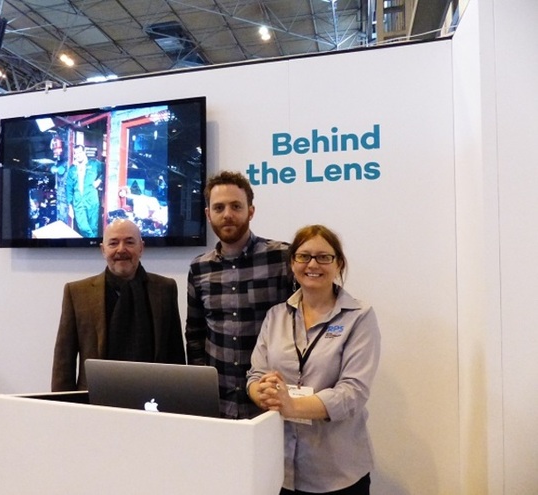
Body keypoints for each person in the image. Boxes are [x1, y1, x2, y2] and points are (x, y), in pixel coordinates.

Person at [247, 225, 381, 495]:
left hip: (337, 473)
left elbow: (352, 393)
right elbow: (255, 374)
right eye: (303, 256)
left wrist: (291, 405)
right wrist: (259, 392)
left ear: (338, 263)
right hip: (279, 469)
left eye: (324, 257)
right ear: (292, 263)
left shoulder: (360, 317)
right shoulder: (276, 316)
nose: (312, 264)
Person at [185, 170, 293, 419]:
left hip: (269, 402)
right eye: (219, 207)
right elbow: (195, 335)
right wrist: (202, 388)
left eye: (236, 206)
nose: (227, 215)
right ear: (208, 214)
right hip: (218, 402)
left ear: (251, 211)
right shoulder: (199, 268)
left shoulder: (282, 258)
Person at [51, 218, 186, 391]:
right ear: (103, 250)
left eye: (129, 242)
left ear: (141, 248)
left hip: (153, 399)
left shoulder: (165, 289)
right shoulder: (77, 293)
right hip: (95, 401)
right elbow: (64, 361)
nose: (121, 250)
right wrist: (61, 410)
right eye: (113, 243)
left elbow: (175, 354)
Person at [66, 144, 103, 238]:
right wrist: (70, 206)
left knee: (93, 226)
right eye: (75, 153)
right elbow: (69, 188)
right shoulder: (72, 169)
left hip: (92, 200)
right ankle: (92, 240)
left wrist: (99, 180)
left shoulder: (94, 164)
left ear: (84, 152)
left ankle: (92, 247)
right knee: (83, 226)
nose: (78, 155)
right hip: (78, 202)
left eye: (80, 152)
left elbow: (106, 170)